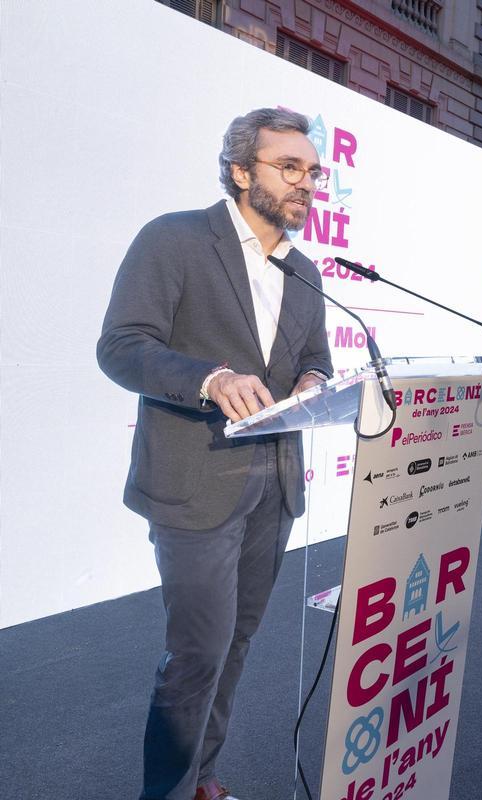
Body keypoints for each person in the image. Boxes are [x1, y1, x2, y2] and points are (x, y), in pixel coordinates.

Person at [96, 108, 334, 800]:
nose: (305, 184)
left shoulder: (307, 271)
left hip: (274, 484)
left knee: (235, 646)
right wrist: (211, 379)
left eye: (312, 172)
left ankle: (202, 778)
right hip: (194, 481)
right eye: (288, 167)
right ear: (239, 172)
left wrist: (316, 381)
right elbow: (121, 347)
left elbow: (313, 358)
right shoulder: (174, 240)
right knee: (198, 652)